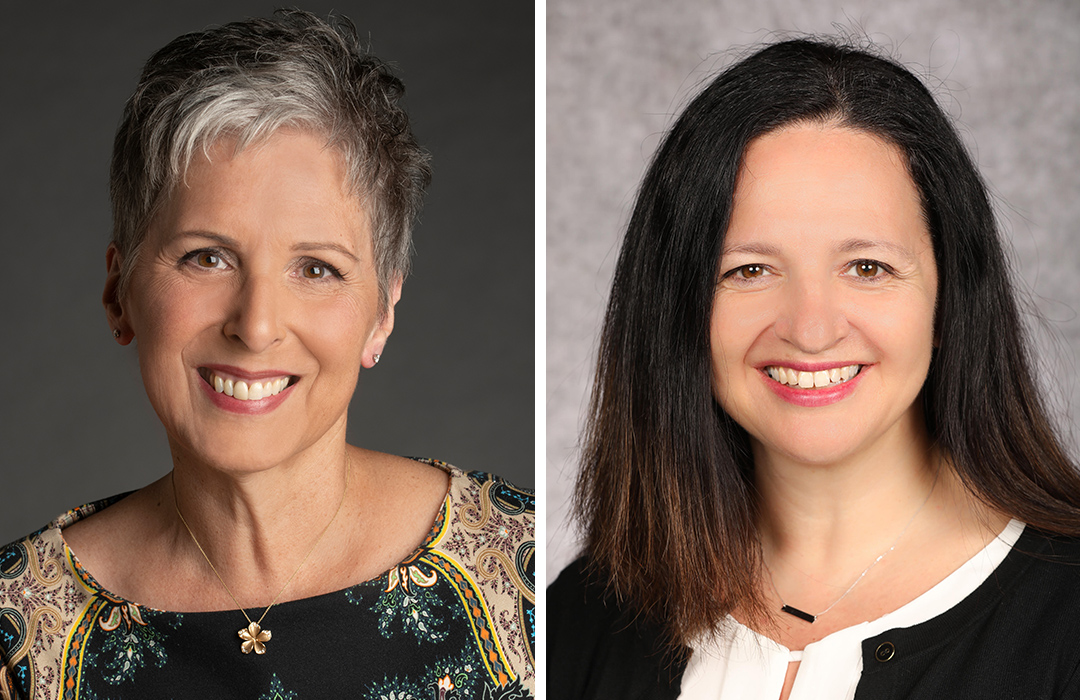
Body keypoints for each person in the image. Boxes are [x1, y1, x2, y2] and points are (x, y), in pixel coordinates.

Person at [0, 11, 534, 699]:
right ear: (118, 292)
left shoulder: (524, 575)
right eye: (207, 257)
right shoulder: (18, 632)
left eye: (316, 269)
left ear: (382, 315)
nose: (255, 326)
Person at [548, 37, 1080, 700]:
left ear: (950, 302)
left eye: (868, 268)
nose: (810, 328)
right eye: (748, 270)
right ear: (676, 309)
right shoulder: (583, 617)